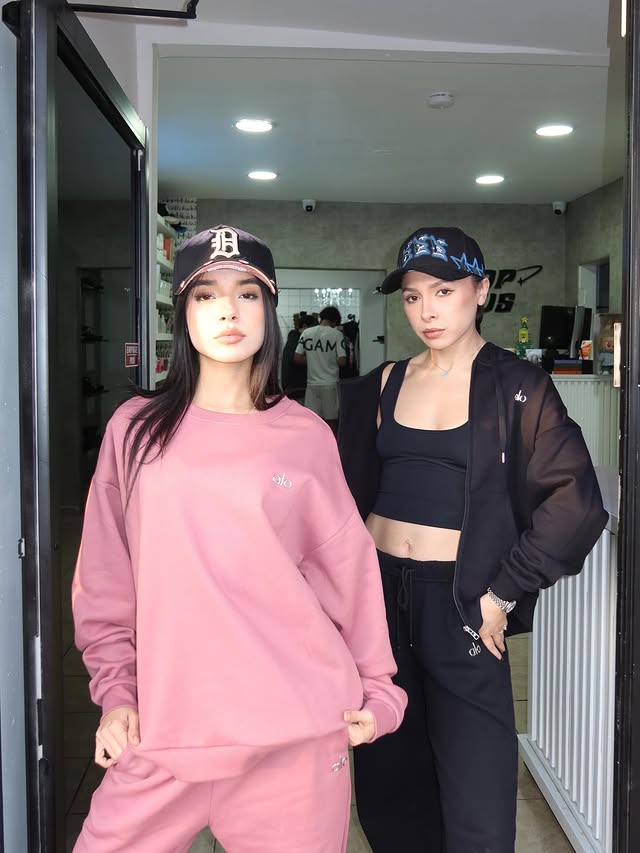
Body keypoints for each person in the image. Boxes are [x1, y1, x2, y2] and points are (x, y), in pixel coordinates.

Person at [71, 225, 407, 853]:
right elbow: (104, 579)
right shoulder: (135, 432)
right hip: (166, 731)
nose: (228, 309)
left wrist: (380, 688)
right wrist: (117, 694)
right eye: (205, 295)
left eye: (248, 293)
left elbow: (347, 569)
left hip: (295, 738)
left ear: (270, 310)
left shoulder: (305, 434)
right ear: (183, 313)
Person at [337, 226, 608, 853]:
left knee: (477, 783)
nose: (426, 310)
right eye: (411, 296)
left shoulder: (518, 387)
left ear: (480, 290)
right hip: (378, 597)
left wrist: (503, 592)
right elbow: (343, 501)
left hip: (461, 601)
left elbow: (577, 502)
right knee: (389, 776)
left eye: (443, 290)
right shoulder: (381, 385)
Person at [294, 305, 347, 432]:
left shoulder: (306, 333)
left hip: (312, 384)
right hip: (330, 384)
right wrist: (327, 359)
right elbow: (342, 361)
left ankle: (315, 449)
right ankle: (331, 449)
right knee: (332, 422)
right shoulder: (337, 334)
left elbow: (297, 358)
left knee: (313, 421)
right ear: (335, 321)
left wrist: (314, 360)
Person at [281, 312, 317, 401]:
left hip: (295, 387)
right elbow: (295, 359)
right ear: (305, 326)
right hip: (296, 388)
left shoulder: (295, 337)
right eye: (314, 328)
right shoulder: (295, 337)